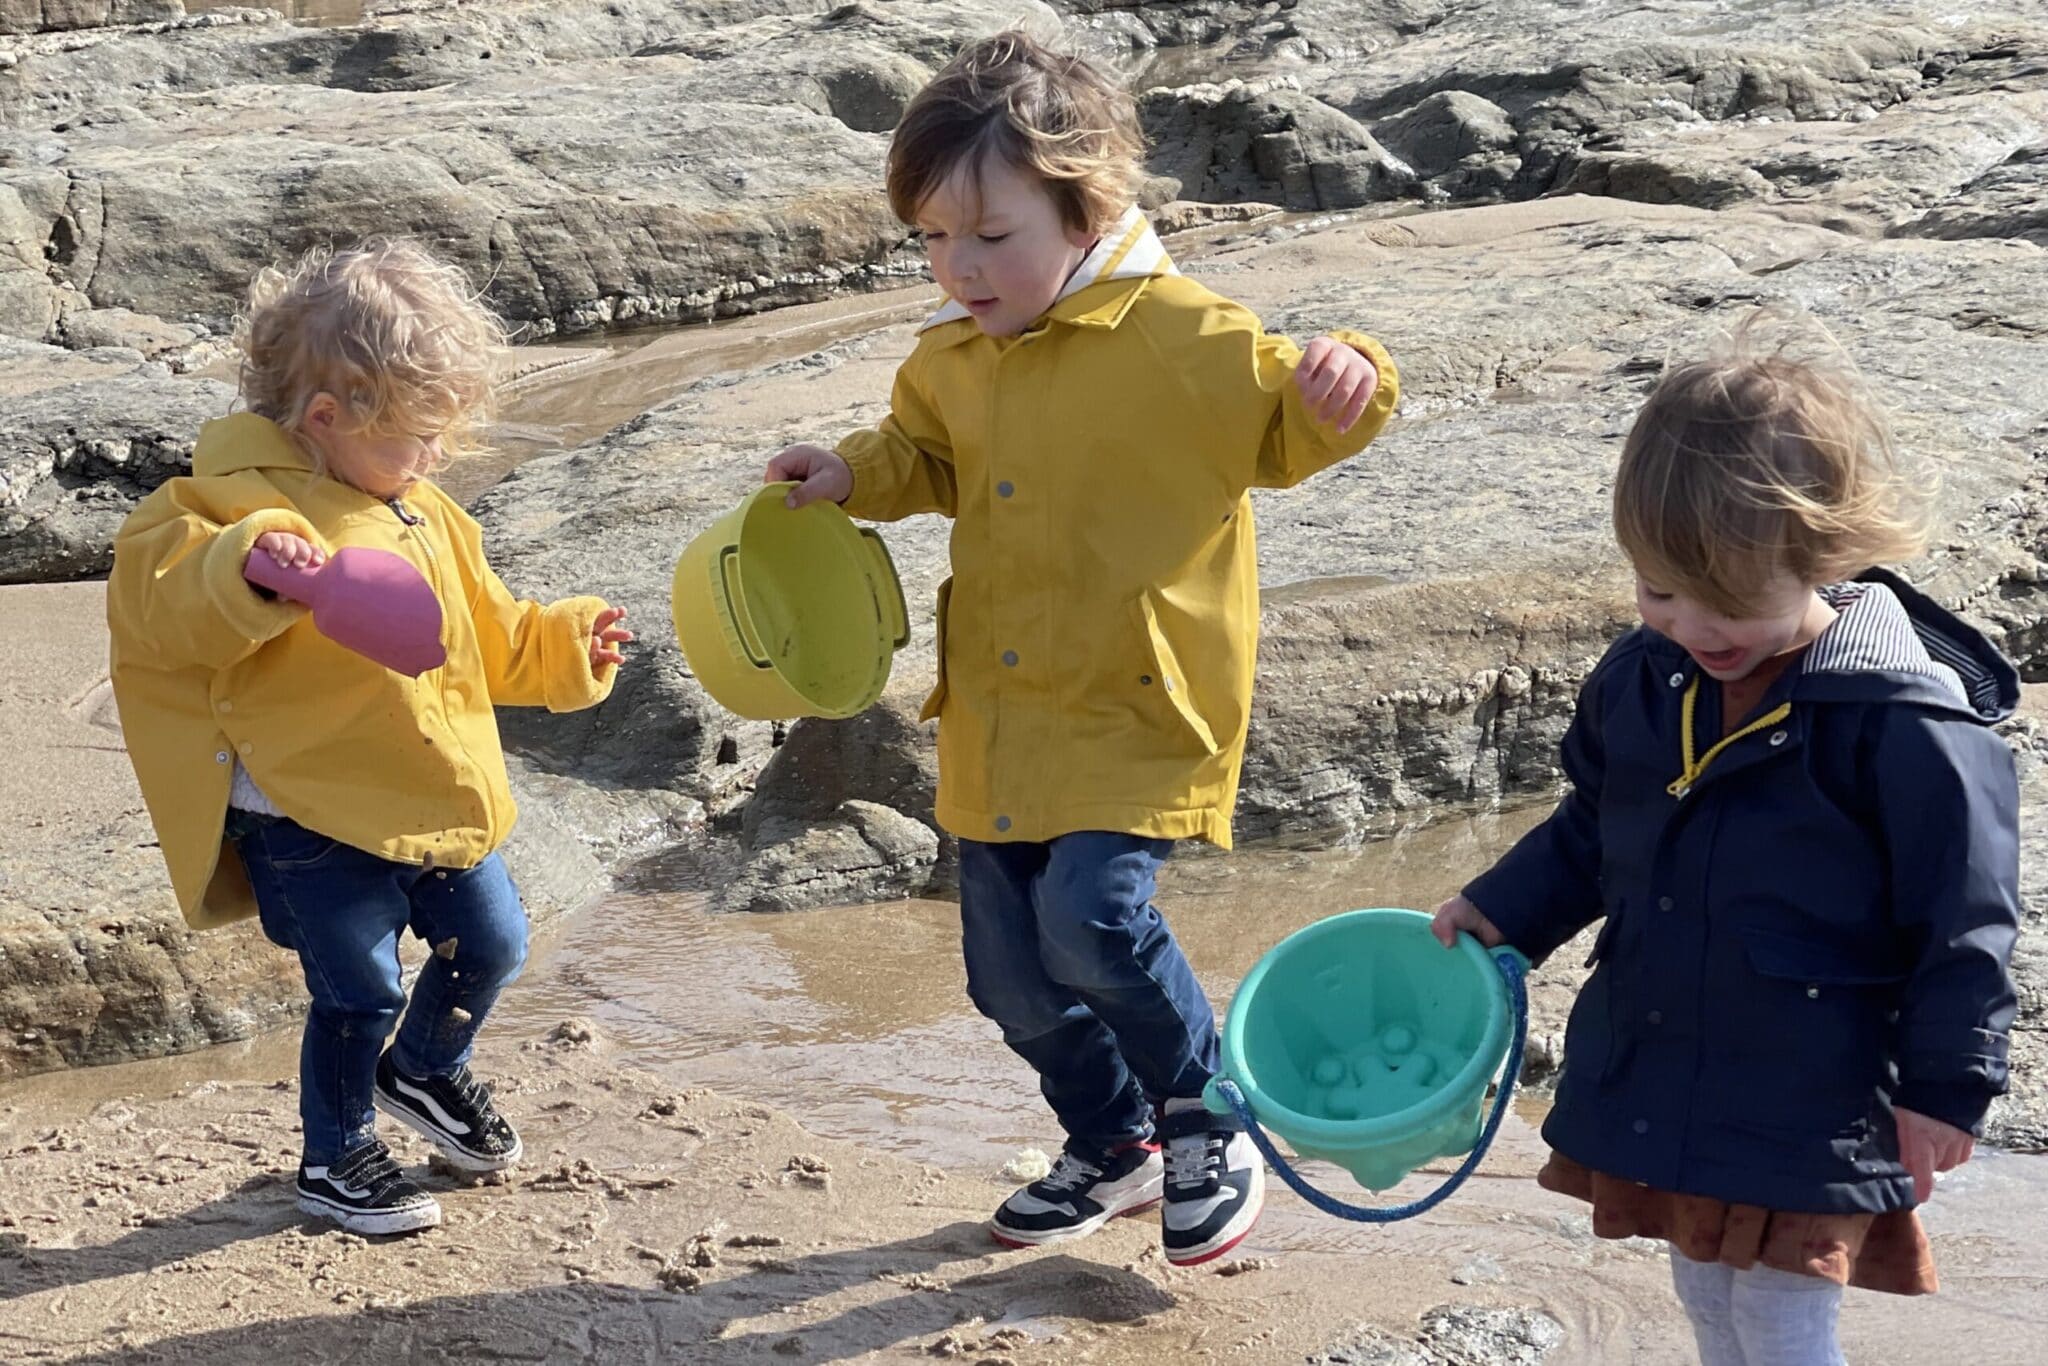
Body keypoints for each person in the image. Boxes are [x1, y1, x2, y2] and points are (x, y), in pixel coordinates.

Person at [765, 31, 1400, 1266]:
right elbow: (926, 456)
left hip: (1138, 702)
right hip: (1002, 713)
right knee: (1005, 974)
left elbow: (1299, 414)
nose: (958, 267)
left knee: (1092, 923)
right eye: (931, 238)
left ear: (1087, 211)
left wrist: (1352, 369)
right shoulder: (950, 355)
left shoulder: (1182, 335)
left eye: (990, 235)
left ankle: (1208, 1114)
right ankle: (1113, 1142)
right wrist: (849, 471)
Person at [1433, 337, 2020, 1363]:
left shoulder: (1900, 723)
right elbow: (1595, 825)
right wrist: (1501, 909)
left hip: (1817, 1080)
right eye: (1660, 591)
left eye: (1733, 601)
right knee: (1706, 1289)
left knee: (1784, 1321)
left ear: (1821, 554)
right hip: (1674, 1051)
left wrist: (1946, 1086)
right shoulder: (1640, 680)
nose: (1694, 626)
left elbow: (1963, 918)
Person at [108, 240, 633, 1236]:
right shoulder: (225, 505)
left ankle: (425, 1068)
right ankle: (336, 1152)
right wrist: (251, 569)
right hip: (306, 813)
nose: (432, 459)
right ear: (325, 417)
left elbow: (487, 638)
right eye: (414, 437)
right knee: (357, 990)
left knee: (493, 940)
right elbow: (160, 602)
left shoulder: (425, 515)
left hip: (429, 791)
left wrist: (567, 645)